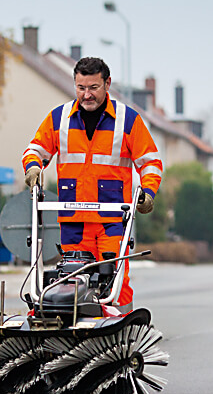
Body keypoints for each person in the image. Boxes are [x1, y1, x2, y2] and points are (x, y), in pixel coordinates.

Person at [21, 56, 163, 311]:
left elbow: (150, 162)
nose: (86, 95)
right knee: (72, 278)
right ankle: (71, 324)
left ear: (107, 84)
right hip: (73, 218)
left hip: (111, 219)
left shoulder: (127, 120)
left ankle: (121, 326)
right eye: (81, 88)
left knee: (114, 279)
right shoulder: (59, 118)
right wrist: (33, 167)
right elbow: (36, 150)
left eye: (93, 88)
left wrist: (148, 192)